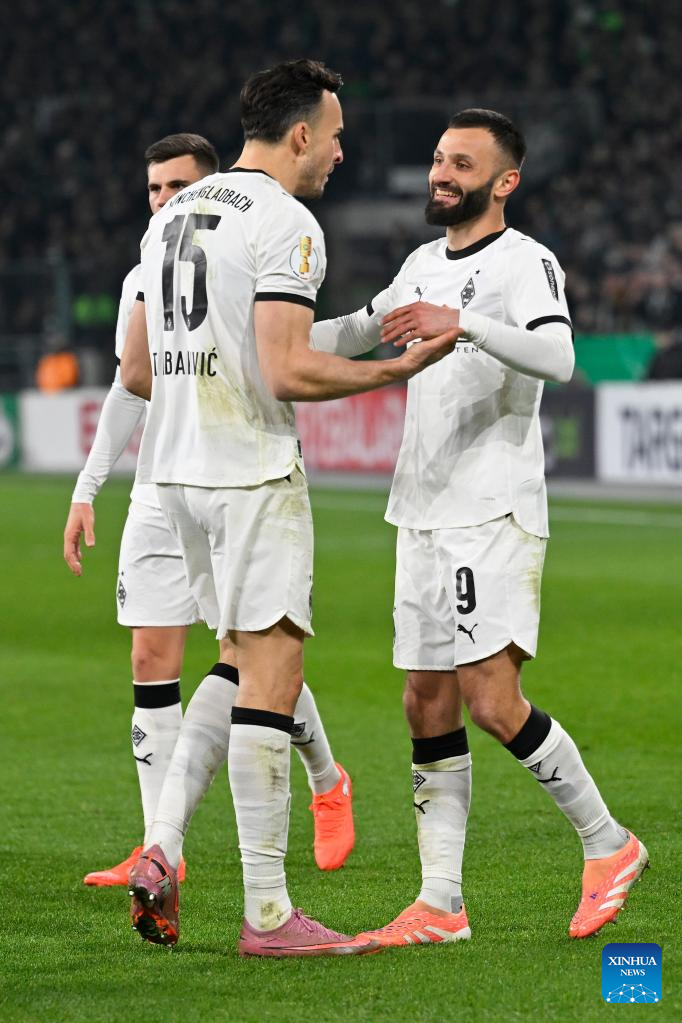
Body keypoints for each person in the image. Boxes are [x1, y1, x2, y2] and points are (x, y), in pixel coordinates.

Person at [120, 59, 460, 957]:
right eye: (336, 135)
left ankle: (161, 843)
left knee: (235, 662)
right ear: (301, 133)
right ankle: (269, 913)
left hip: (176, 474)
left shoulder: (173, 216)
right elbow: (285, 368)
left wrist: (370, 323)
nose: (341, 152)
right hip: (250, 473)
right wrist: (396, 369)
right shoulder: (286, 220)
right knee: (272, 675)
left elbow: (148, 364)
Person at [310, 108, 648, 946]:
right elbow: (359, 330)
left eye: (461, 163)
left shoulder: (526, 262)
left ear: (505, 182)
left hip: (492, 508)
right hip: (421, 509)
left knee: (493, 700)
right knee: (424, 698)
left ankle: (609, 842)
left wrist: (463, 324)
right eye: (438, 158)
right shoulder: (422, 263)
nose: (441, 173)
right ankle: (440, 902)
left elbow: (559, 357)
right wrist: (260, 340)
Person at [63, 132, 355, 894]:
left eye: (177, 186)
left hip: (229, 469)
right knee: (154, 659)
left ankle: (327, 778)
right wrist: (88, 487)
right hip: (162, 480)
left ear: (210, 185)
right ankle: (161, 846)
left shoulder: (240, 241)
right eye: (154, 189)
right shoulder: (147, 265)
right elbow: (129, 381)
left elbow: (270, 352)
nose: (164, 201)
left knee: (252, 650)